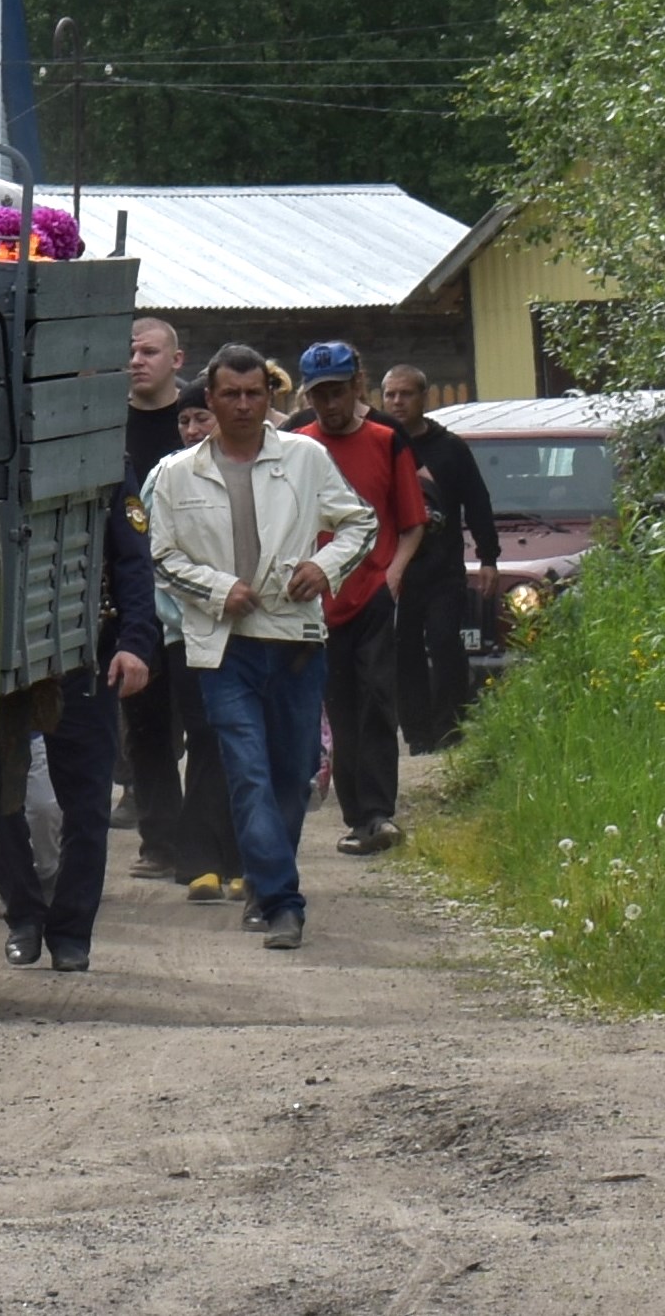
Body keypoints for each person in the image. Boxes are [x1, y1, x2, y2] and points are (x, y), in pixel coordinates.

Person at [144, 343, 373, 952]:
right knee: (245, 772)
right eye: (231, 395)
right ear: (209, 399)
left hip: (295, 641)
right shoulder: (175, 474)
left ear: (269, 397)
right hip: (223, 646)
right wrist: (221, 589)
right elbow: (162, 556)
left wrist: (324, 568)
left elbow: (361, 523)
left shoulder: (305, 457)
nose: (244, 405)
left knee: (292, 775)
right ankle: (281, 902)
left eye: (254, 394)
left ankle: (265, 883)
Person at [0, 442, 161, 971]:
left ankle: (71, 931)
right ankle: (23, 915)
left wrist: (135, 642)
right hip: (4, 654)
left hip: (85, 653)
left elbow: (133, 561)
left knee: (86, 803)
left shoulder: (108, 458)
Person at [117, 323, 243, 902]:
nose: (136, 362)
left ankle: (201, 840)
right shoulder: (110, 426)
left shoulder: (202, 425)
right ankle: (160, 838)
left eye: (148, 352)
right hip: (135, 597)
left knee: (202, 726)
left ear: (177, 359)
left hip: (200, 607)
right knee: (145, 729)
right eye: (130, 352)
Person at [290, 343, 426, 856]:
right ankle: (356, 818)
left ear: (358, 387)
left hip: (371, 591)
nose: (330, 403)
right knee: (339, 710)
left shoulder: (387, 441)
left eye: (339, 391)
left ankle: (378, 813)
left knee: (375, 701)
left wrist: (393, 574)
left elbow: (412, 524)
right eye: (320, 394)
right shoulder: (297, 446)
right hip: (317, 600)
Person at [378, 364, 499, 753]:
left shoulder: (450, 448)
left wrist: (489, 558)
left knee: (447, 645)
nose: (397, 402)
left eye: (406, 394)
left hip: (443, 568)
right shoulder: (380, 443)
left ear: (423, 398)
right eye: (390, 394)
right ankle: (416, 734)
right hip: (395, 570)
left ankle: (450, 727)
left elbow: (478, 503)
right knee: (403, 652)